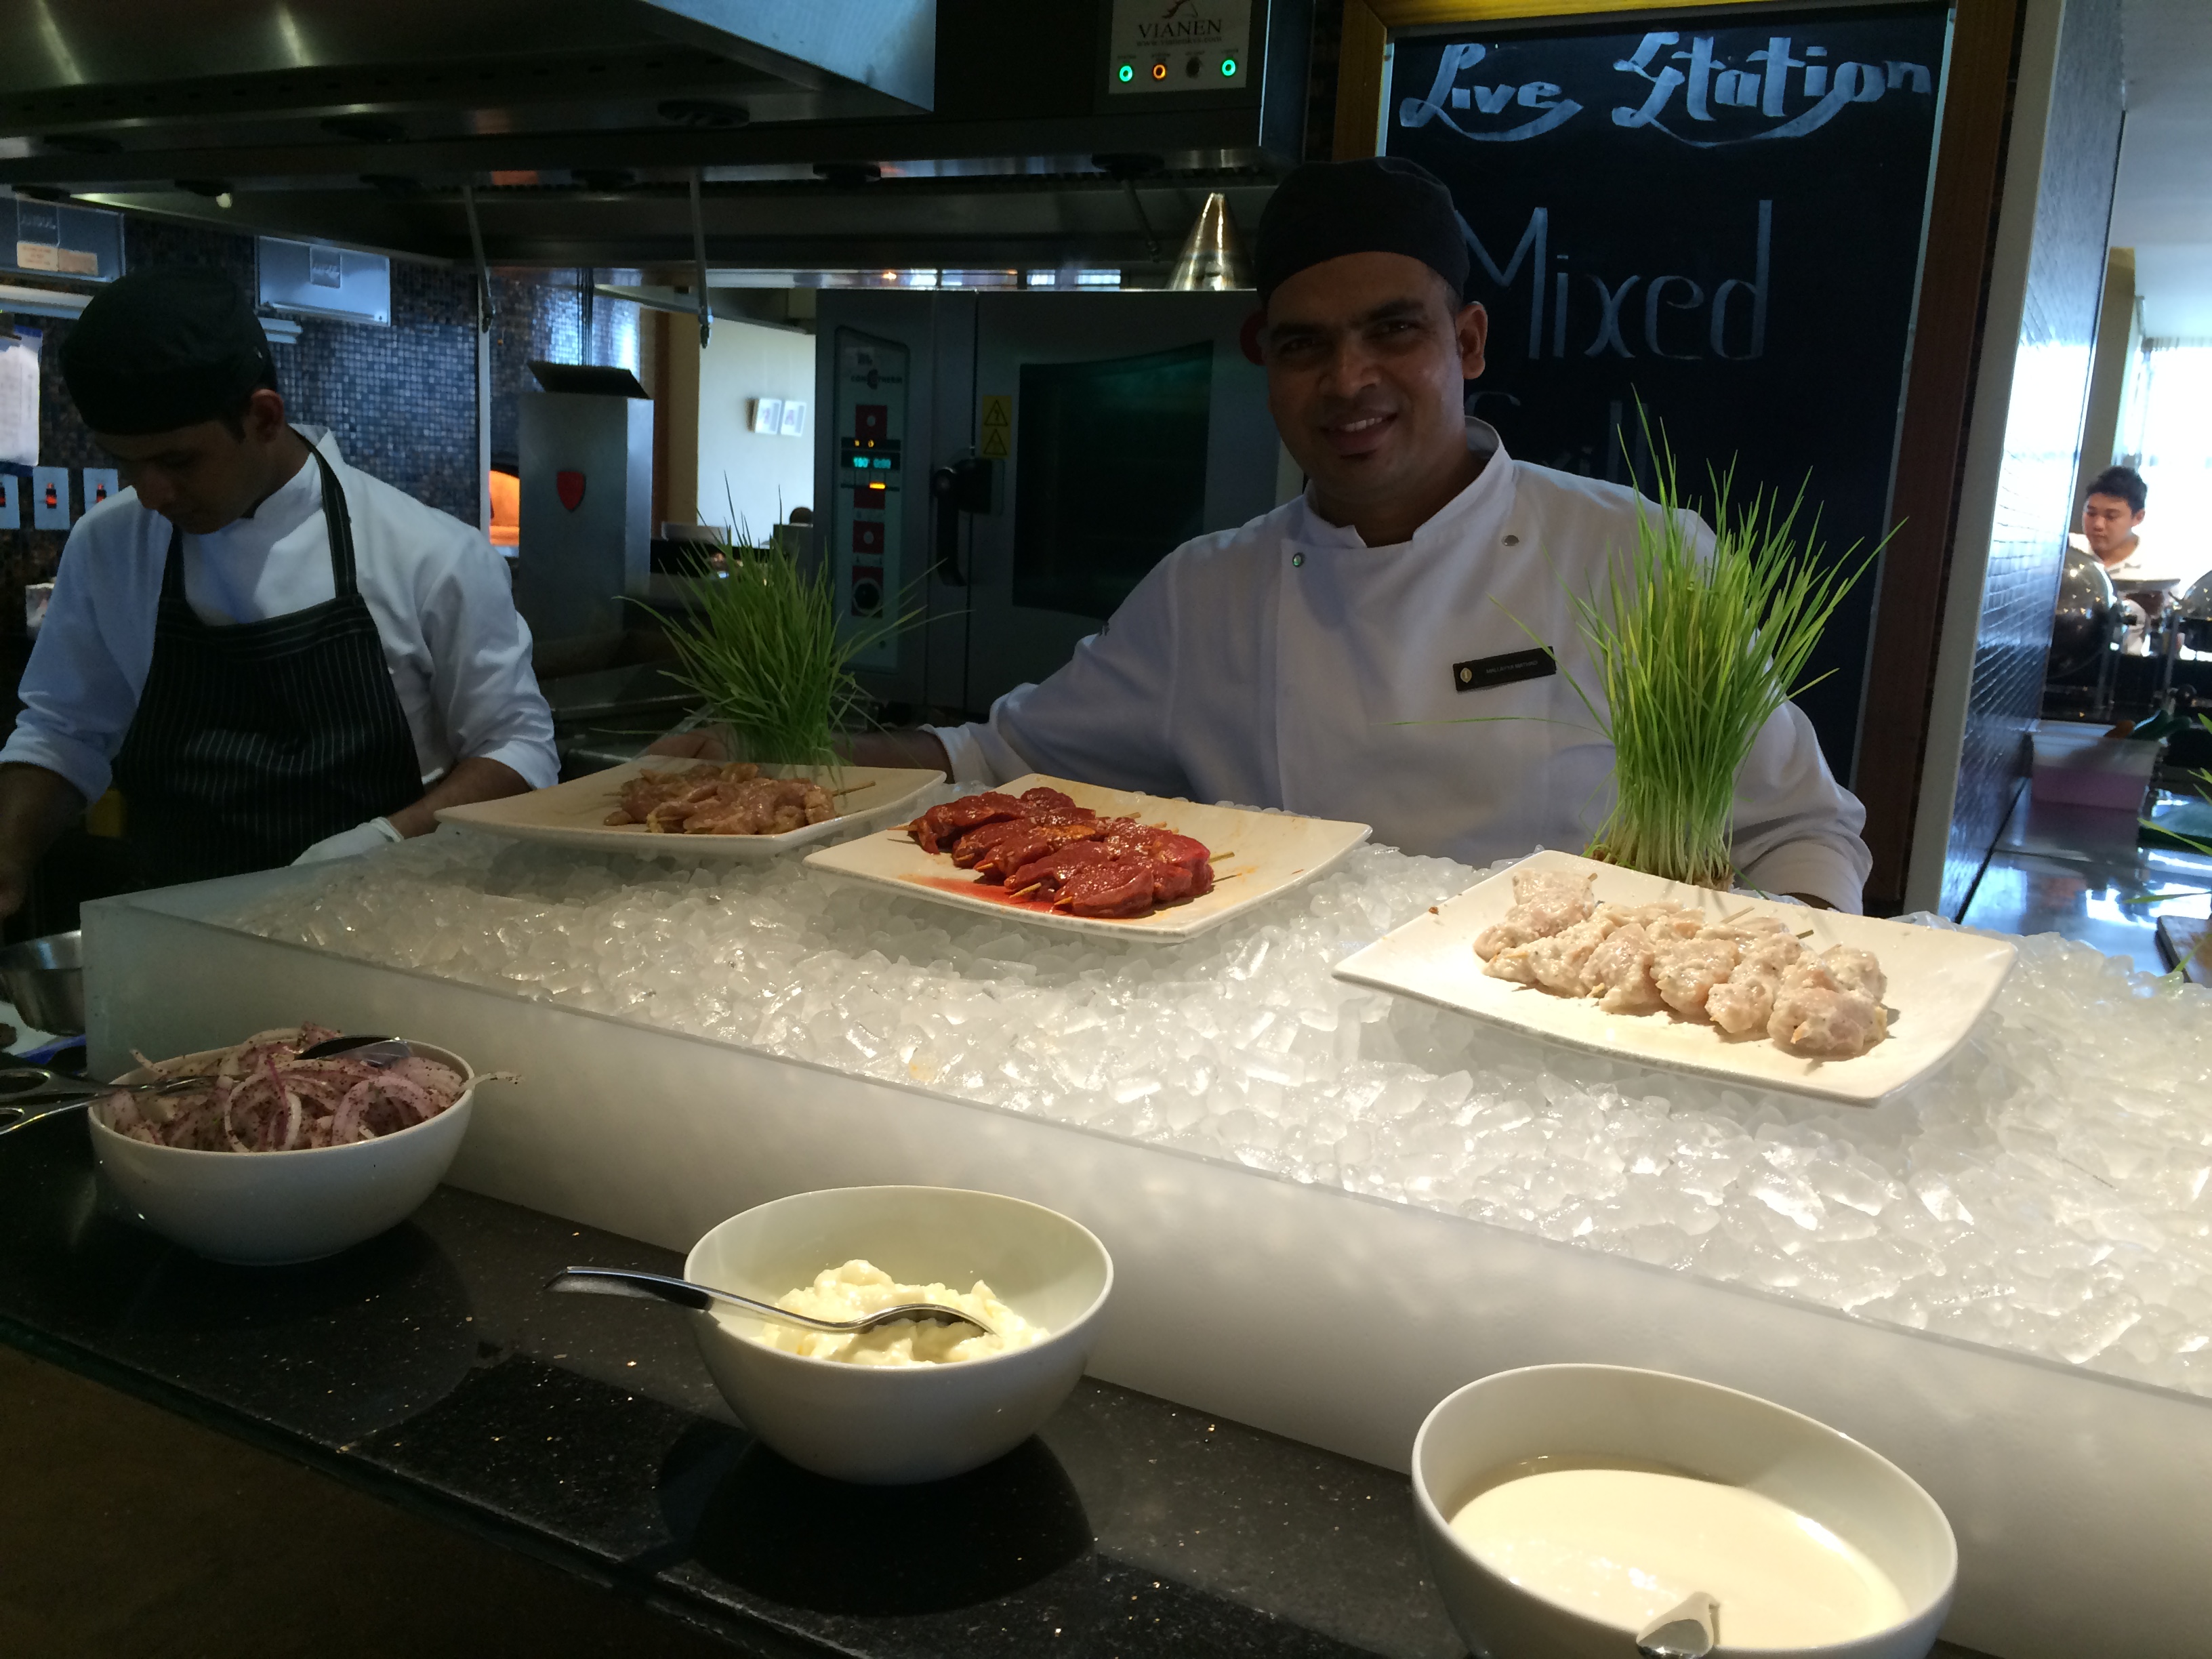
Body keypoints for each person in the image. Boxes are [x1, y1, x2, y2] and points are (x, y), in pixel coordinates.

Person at [843, 157, 1868, 909]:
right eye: (1305, 346)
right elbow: (998, 758)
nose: (1348, 381)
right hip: (1290, 1053)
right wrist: (789, 752)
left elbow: (1799, 826)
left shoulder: (1639, 555)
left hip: (1564, 1050)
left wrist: (1776, 992)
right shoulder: (1206, 591)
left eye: (1393, 330)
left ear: (1467, 342)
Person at [0, 266, 558, 914]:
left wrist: (386, 840)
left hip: (388, 927)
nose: (150, 493)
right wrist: (8, 854)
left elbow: (520, 751)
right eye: (125, 462)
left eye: (178, 461)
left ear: (265, 417)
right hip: (178, 933)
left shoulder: (430, 553)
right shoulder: (109, 544)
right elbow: (63, 731)